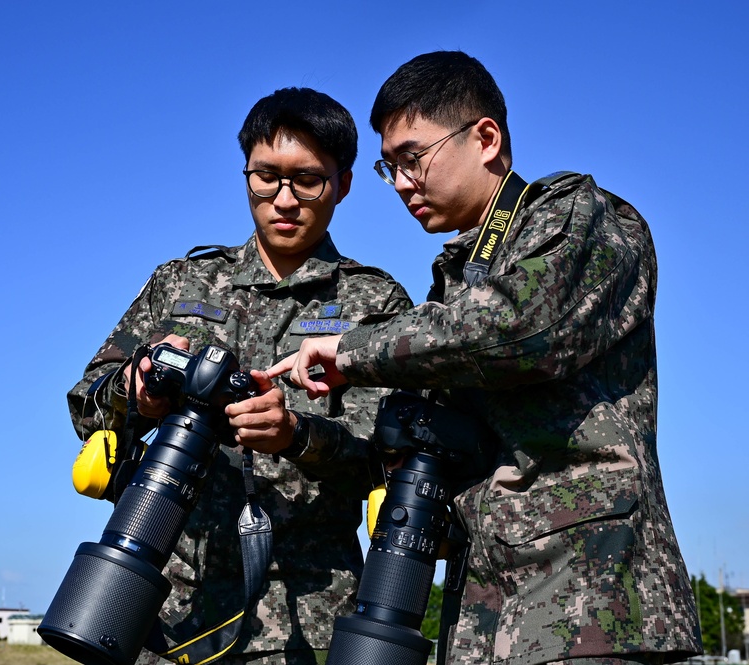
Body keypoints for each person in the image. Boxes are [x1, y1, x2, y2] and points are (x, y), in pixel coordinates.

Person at [268, 52, 702, 665]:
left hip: (591, 604)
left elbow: (518, 326)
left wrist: (354, 350)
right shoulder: (461, 278)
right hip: (490, 610)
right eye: (387, 167)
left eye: (412, 159)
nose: (399, 184)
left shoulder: (583, 217)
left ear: (486, 138)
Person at [68, 87, 413, 665]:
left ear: (344, 185)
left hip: (307, 615)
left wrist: (296, 435)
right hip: (164, 604)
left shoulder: (374, 302)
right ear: (245, 173)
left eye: (307, 179)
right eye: (266, 176)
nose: (284, 199)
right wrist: (140, 392)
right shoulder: (182, 282)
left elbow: (392, 451)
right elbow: (86, 400)